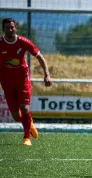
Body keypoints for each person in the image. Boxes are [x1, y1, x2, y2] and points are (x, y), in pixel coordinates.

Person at [0, 18, 53, 146]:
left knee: (24, 108)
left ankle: (26, 138)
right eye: (7, 28)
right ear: (3, 30)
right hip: (6, 82)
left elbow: (40, 56)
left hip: (22, 80)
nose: (10, 30)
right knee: (15, 116)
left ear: (16, 28)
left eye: (12, 27)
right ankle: (30, 124)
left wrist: (47, 74)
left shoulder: (23, 42)